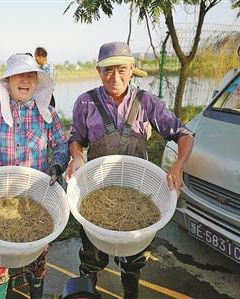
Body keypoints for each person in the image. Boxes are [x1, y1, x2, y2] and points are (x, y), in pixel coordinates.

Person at [65, 42, 194, 299]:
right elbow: (76, 137)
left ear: (132, 70)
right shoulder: (85, 102)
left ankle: (130, 288)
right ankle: (89, 288)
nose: (115, 77)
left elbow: (183, 133)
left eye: (122, 70)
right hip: (96, 189)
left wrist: (178, 164)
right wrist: (77, 155)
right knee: (92, 255)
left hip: (138, 189)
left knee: (133, 257)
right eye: (108, 71)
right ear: (99, 72)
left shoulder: (147, 102)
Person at [0, 53, 70, 299]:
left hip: (37, 199)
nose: (25, 80)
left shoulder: (48, 115)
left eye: (30, 75)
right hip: (0, 199)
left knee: (36, 260)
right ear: (8, 81)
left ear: (37, 81)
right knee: (1, 261)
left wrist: (57, 165)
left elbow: (61, 146)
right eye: (19, 75)